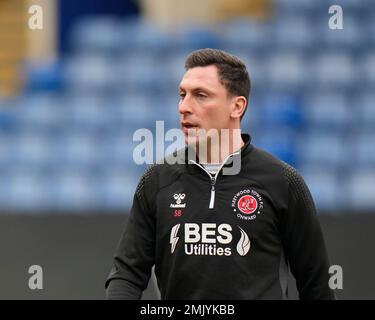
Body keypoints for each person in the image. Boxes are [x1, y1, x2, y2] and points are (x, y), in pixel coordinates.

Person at [105, 48, 335, 300]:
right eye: (182, 95)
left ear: (237, 106)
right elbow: (126, 274)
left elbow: (316, 286)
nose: (184, 107)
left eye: (200, 95)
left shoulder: (283, 182)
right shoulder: (156, 180)